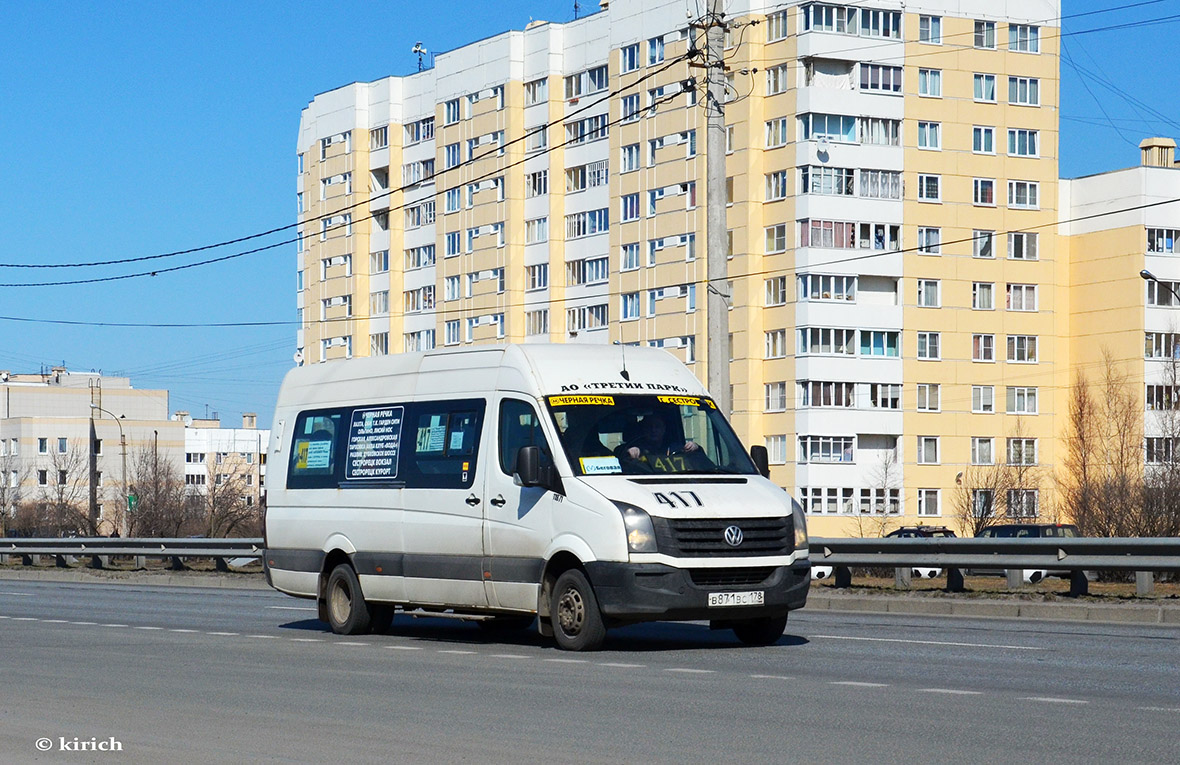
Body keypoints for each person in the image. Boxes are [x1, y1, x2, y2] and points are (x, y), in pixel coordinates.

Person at [618, 415, 699, 462]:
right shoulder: (635, 448)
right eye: (649, 427)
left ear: (664, 429)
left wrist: (695, 448)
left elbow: (697, 461)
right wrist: (628, 452)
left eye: (657, 426)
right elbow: (617, 456)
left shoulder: (674, 447)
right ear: (643, 429)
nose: (653, 430)